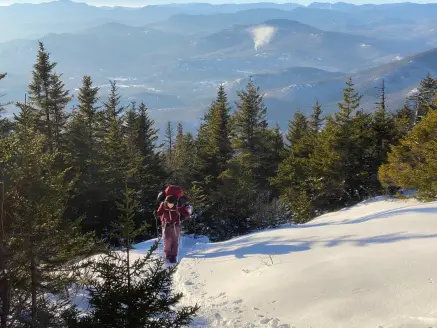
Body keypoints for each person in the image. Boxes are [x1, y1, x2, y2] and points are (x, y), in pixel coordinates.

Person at [156, 195, 191, 264]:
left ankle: (173, 256)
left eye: (171, 204)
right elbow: (159, 212)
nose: (170, 205)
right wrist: (156, 213)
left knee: (175, 240)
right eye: (169, 203)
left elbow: (187, 214)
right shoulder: (163, 205)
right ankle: (168, 254)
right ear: (166, 202)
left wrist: (181, 218)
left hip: (176, 225)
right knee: (167, 239)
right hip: (166, 225)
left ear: (174, 203)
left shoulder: (179, 206)